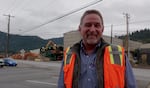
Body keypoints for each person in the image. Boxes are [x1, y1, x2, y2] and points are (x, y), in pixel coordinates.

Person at [58, 9, 137, 88]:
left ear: (102, 29)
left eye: (97, 25)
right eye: (88, 25)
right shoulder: (69, 55)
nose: (92, 30)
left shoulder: (117, 54)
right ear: (80, 29)